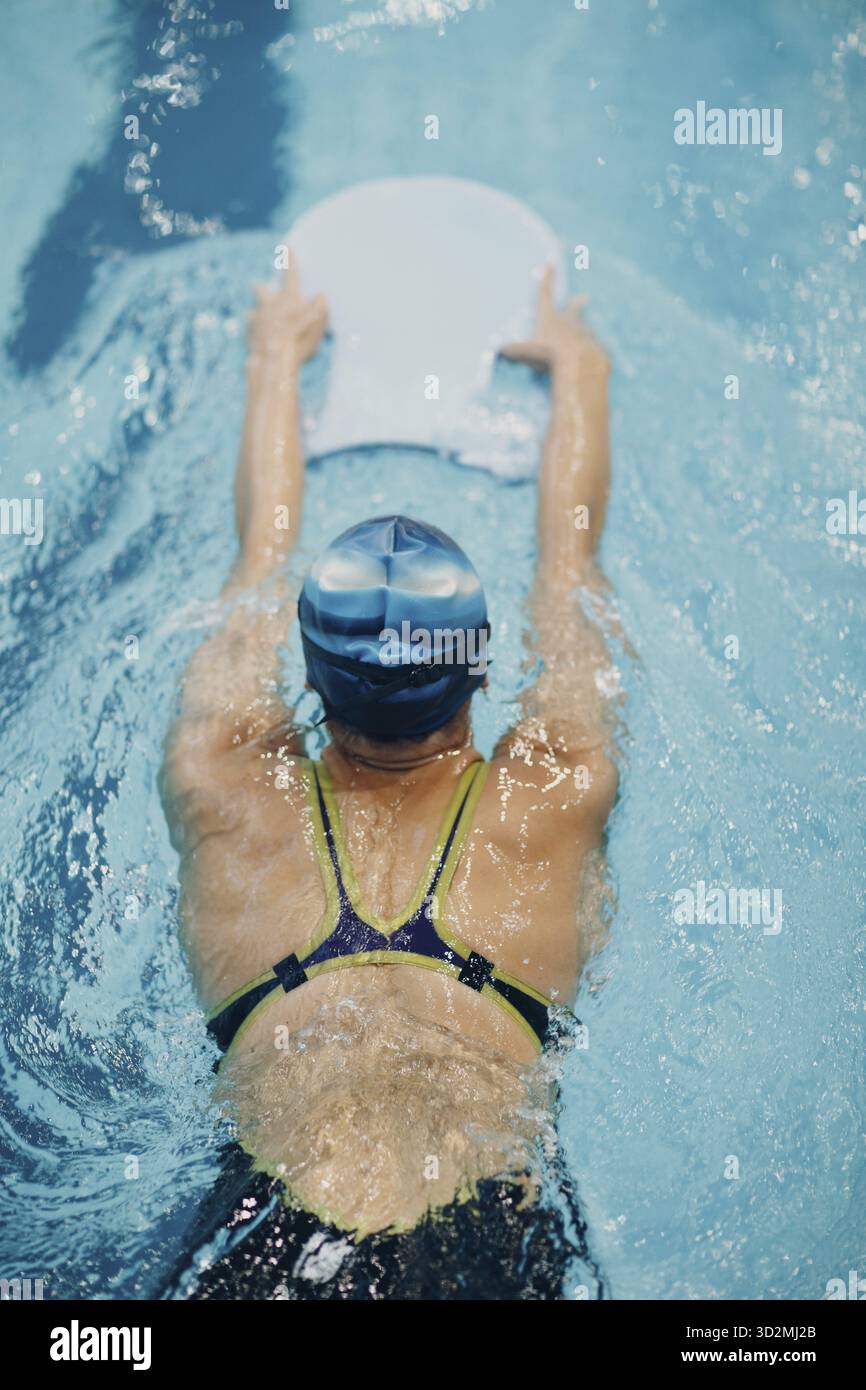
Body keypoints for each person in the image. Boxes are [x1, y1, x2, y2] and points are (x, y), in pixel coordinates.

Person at [160, 258, 617, 1300]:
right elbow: (571, 569)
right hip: (485, 1236)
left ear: (309, 677)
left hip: (264, 1234)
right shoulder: (556, 788)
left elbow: (256, 561)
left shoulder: (222, 776)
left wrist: (273, 355)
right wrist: (579, 370)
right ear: (481, 670)